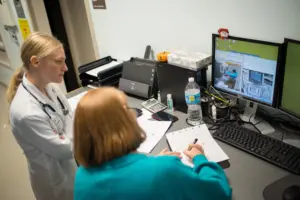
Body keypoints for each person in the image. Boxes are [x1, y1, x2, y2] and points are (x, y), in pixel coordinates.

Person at [73, 87, 232, 200]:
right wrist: (200, 159)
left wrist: (153, 162)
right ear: (124, 120)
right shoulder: (164, 170)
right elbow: (219, 193)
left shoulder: (82, 176)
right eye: (128, 109)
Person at [7, 32, 77, 200]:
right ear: (36, 62)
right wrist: (77, 128)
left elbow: (70, 119)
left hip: (70, 169)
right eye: (59, 61)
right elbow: (66, 150)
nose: (65, 68)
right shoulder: (26, 112)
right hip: (54, 182)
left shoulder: (50, 87)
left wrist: (69, 132)